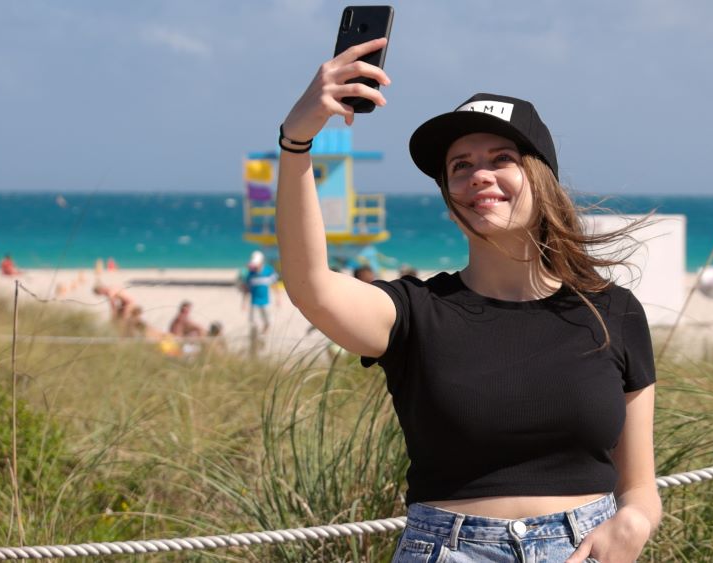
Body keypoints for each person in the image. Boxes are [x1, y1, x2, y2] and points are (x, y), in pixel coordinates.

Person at [276, 38, 660, 562]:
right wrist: (296, 141)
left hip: (583, 549)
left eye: (501, 158)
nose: (478, 174)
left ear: (539, 176)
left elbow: (640, 485)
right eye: (459, 165)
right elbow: (311, 286)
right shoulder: (415, 313)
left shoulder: (612, 311)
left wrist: (633, 522)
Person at [242, 250, 278, 335]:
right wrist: (244, 302)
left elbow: (275, 284)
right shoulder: (250, 274)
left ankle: (263, 334)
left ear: (261, 262)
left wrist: (278, 298)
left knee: (268, 322)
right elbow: (247, 289)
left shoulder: (268, 271)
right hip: (254, 301)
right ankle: (256, 336)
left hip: (265, 301)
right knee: (253, 322)